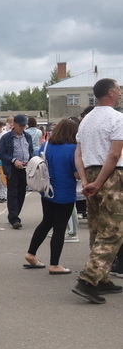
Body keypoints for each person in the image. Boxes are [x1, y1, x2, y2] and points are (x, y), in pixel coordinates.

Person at [71, 78, 123, 304]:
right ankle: (89, 279)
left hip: (91, 173)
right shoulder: (117, 118)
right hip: (111, 176)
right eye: (119, 89)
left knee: (96, 227)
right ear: (111, 93)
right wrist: (101, 182)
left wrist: (86, 181)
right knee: (113, 230)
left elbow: (78, 155)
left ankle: (102, 277)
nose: (120, 92)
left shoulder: (86, 120)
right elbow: (114, 154)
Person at [24, 118, 79, 274]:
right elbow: (76, 173)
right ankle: (54, 264)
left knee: (46, 221)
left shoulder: (47, 145)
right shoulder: (73, 149)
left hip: (47, 190)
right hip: (65, 192)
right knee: (60, 228)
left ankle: (31, 253)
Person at [0, 114, 34, 229]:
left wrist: (30, 161)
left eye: (24, 125)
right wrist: (14, 161)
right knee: (12, 193)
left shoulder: (27, 136)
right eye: (21, 125)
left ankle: (14, 214)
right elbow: (1, 154)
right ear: (14, 124)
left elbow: (31, 151)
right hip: (12, 169)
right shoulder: (7, 138)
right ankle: (14, 218)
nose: (23, 128)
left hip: (25, 168)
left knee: (21, 193)